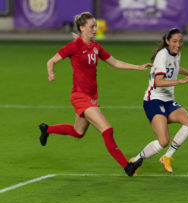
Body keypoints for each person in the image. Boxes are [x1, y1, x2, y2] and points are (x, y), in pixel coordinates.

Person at [39, 12, 152, 177]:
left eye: (95, 26)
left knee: (78, 132)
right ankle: (127, 166)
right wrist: (51, 73)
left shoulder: (95, 47)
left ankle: (47, 129)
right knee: (107, 129)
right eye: (92, 26)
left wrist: (137, 67)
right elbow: (51, 60)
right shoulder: (74, 46)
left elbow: (114, 62)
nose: (95, 29)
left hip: (91, 97)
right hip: (80, 97)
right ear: (82, 28)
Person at [129, 28, 188, 174]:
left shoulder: (175, 53)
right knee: (163, 141)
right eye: (174, 41)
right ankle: (136, 160)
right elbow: (158, 82)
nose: (178, 45)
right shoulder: (161, 56)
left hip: (168, 101)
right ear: (167, 41)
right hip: (154, 101)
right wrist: (182, 82)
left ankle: (167, 157)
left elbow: (175, 67)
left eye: (180, 41)